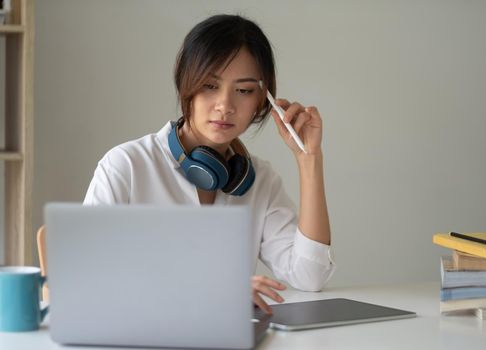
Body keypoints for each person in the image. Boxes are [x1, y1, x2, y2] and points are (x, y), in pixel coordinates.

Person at [83, 14, 335, 314]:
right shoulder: (126, 166)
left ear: (261, 101)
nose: (225, 106)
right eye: (210, 86)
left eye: (244, 91)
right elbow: (87, 279)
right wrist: (215, 290)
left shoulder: (260, 180)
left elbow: (310, 276)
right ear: (185, 83)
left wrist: (309, 159)